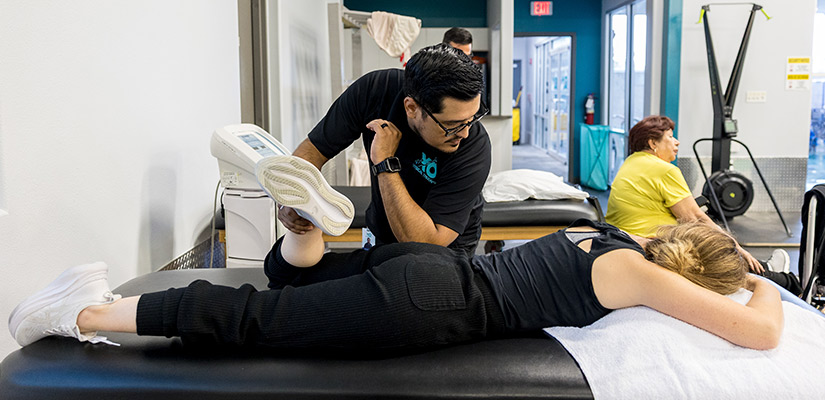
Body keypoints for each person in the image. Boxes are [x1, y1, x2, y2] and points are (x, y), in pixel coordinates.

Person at [10, 155, 784, 351]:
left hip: (425, 269)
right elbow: (756, 332)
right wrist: (764, 289)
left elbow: (683, 241)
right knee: (258, 319)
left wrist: (738, 265)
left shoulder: (614, 237)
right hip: (432, 304)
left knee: (281, 286)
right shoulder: (641, 277)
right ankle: (80, 312)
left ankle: (302, 234)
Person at [282, 43, 491, 256]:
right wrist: (292, 198)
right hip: (380, 229)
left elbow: (424, 243)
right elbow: (312, 151)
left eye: (473, 118)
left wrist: (385, 162)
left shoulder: (474, 147)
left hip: (445, 247)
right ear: (411, 108)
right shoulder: (374, 91)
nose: (464, 133)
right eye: (453, 124)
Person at [606, 115, 802, 294]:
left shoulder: (630, 163)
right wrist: (738, 249)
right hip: (655, 246)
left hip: (625, 241)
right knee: (715, 248)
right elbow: (694, 219)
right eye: (671, 137)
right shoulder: (664, 170)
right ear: (652, 143)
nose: (677, 142)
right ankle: (787, 281)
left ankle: (769, 270)